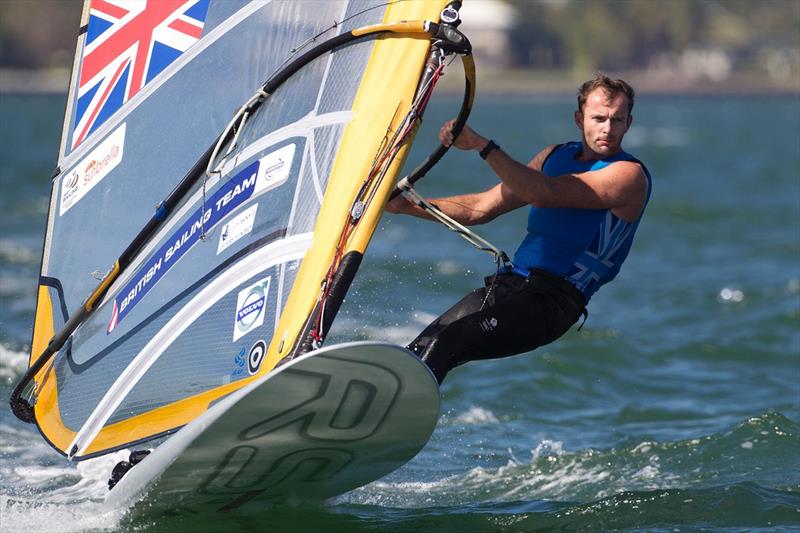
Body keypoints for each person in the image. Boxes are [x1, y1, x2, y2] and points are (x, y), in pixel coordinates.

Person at [386, 74, 652, 384]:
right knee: (426, 342)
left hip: (551, 303)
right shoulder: (554, 157)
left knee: (451, 340)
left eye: (617, 119)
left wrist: (482, 146)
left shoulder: (628, 175)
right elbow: (482, 207)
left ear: (628, 123)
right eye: (599, 118)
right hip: (511, 286)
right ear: (579, 119)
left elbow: (543, 193)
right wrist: (405, 207)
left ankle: (393, 411)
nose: (608, 128)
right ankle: (372, 398)